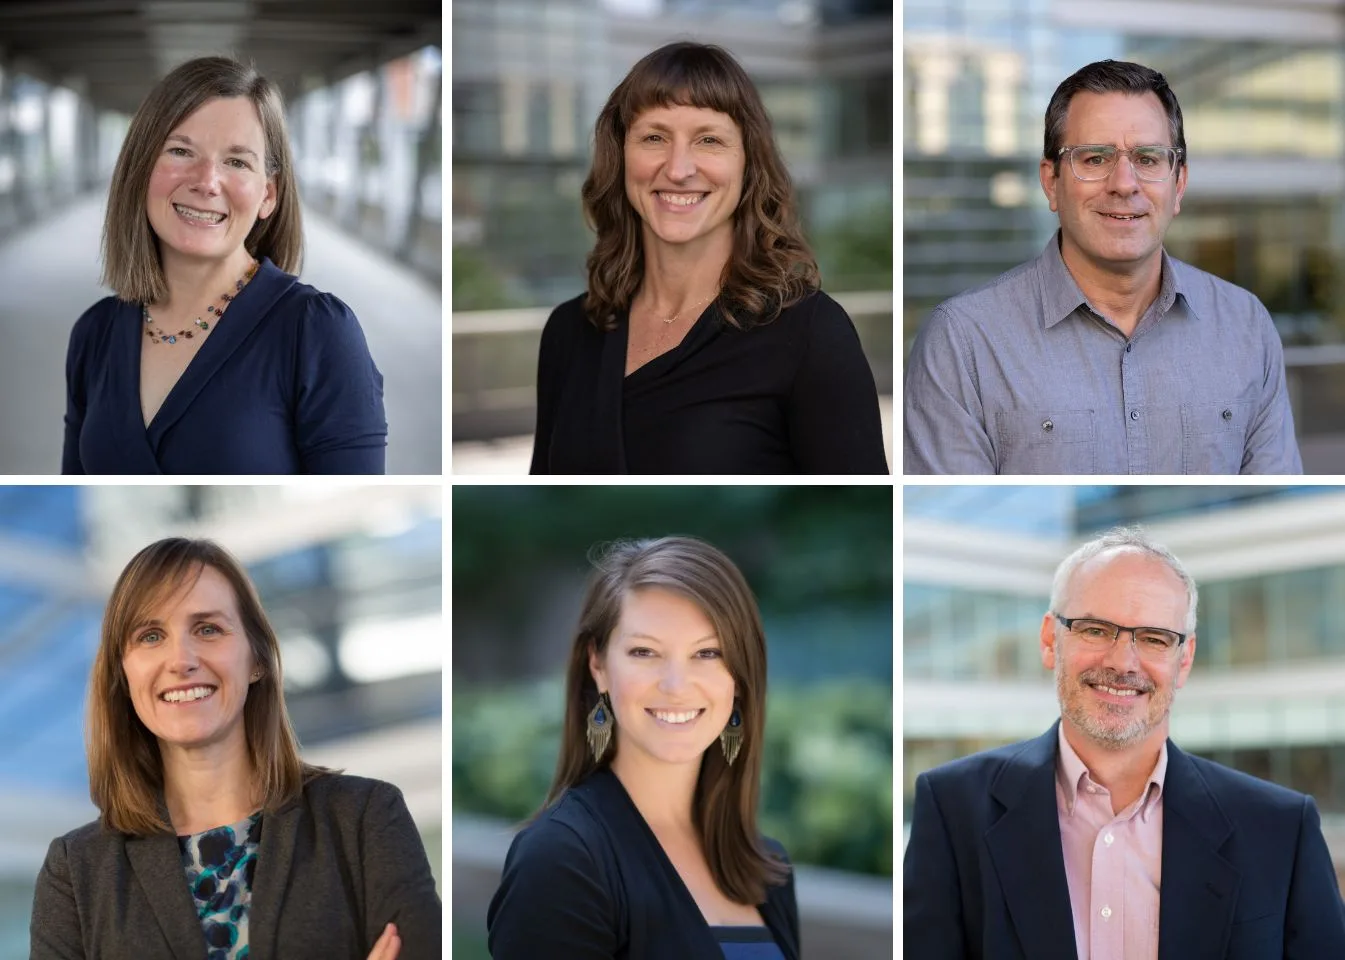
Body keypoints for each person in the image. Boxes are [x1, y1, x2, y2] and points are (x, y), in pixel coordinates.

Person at [904, 527, 1345, 959]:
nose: (1121, 662)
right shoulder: (952, 809)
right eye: (1095, 630)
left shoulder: (1281, 829)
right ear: (1049, 641)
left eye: (1154, 639)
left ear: (1184, 659)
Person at [29, 538, 439, 959]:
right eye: (151, 636)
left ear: (256, 659)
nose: (181, 660)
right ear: (124, 674)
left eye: (207, 629)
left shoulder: (364, 818)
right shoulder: (76, 873)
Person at [904, 60, 1302, 475]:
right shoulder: (963, 341)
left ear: (1178, 183)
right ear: (1051, 182)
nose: (1124, 183)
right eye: (1095, 158)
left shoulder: (1246, 324)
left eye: (1148, 158)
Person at [529, 42, 888, 474]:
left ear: (748, 163)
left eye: (709, 140)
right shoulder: (569, 333)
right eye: (654, 137)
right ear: (621, 155)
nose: (679, 168)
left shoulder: (811, 334)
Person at [64, 57, 387, 475]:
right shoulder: (94, 335)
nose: (206, 181)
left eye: (236, 161)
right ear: (140, 170)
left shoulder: (316, 332)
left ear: (268, 195)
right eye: (181, 151)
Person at [487, 537, 799, 958]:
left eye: (707, 652)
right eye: (645, 652)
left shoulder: (767, 866)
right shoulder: (560, 860)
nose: (675, 686)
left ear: (740, 677)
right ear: (597, 665)